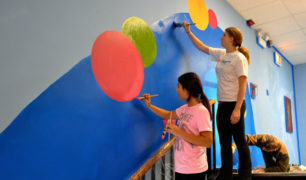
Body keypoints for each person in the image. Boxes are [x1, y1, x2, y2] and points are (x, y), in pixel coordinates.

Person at [183, 22, 251, 180]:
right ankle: (226, 174)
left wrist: (237, 109)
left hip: (235, 104)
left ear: (232, 39)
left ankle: (245, 176)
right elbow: (202, 47)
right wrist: (188, 32)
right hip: (222, 105)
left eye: (224, 35)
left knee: (240, 141)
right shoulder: (222, 54)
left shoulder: (240, 59)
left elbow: (243, 85)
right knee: (224, 142)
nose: (221, 37)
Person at [141, 72, 212, 180]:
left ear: (187, 89)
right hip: (181, 169)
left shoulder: (201, 111)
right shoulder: (184, 108)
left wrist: (178, 132)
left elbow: (207, 141)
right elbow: (167, 114)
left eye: (179, 86)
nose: (176, 90)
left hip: (195, 171)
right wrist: (149, 105)